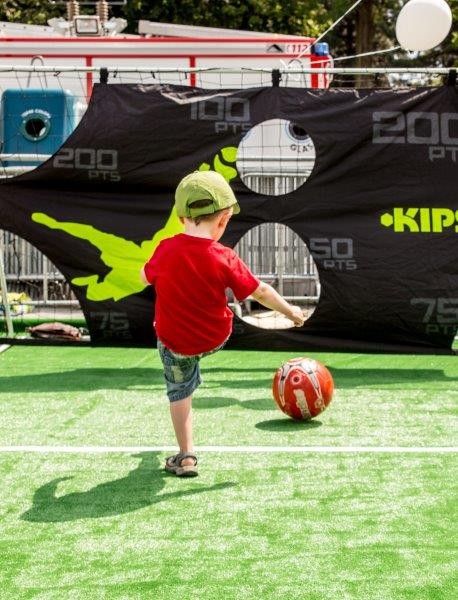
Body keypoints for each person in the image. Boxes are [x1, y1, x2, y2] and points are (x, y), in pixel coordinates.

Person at [141, 170, 305, 477]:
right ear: (224, 220)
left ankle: (186, 455)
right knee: (194, 352)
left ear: (180, 218)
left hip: (176, 344)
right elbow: (262, 291)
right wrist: (290, 312)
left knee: (179, 392)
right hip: (214, 338)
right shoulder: (224, 257)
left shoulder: (165, 250)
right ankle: (193, 365)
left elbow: (144, 277)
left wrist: (153, 270)